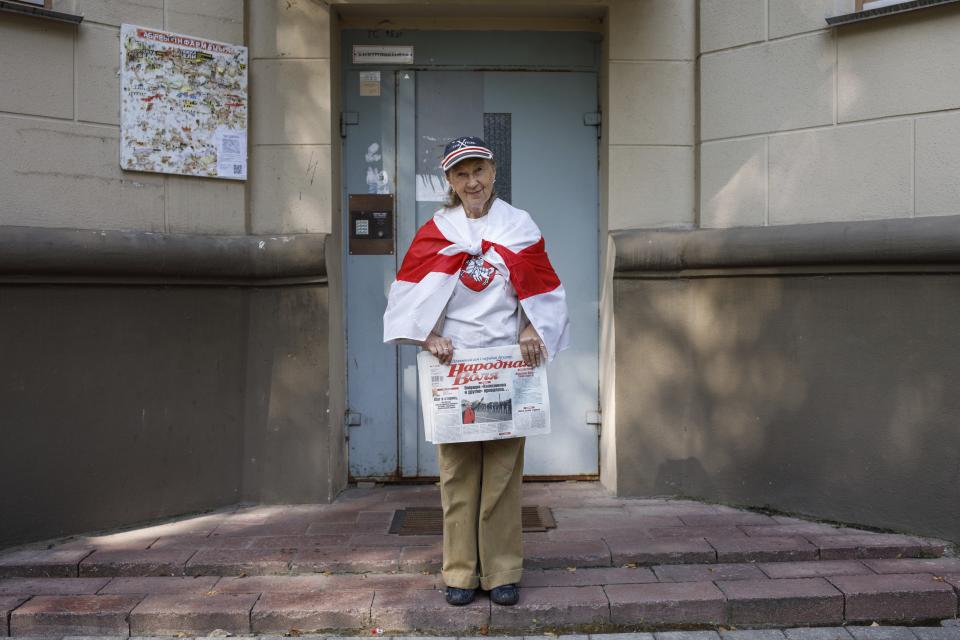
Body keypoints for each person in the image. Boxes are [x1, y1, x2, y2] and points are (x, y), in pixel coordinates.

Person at [383, 136, 570, 607]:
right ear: (449, 181)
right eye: (461, 174)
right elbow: (411, 294)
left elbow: (541, 289)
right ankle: (460, 572)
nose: (472, 182)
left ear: (493, 174)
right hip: (456, 369)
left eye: (479, 171)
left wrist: (530, 328)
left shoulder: (518, 226)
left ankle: (503, 570)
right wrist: (430, 337)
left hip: (507, 365)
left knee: (504, 474)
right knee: (458, 474)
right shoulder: (437, 230)